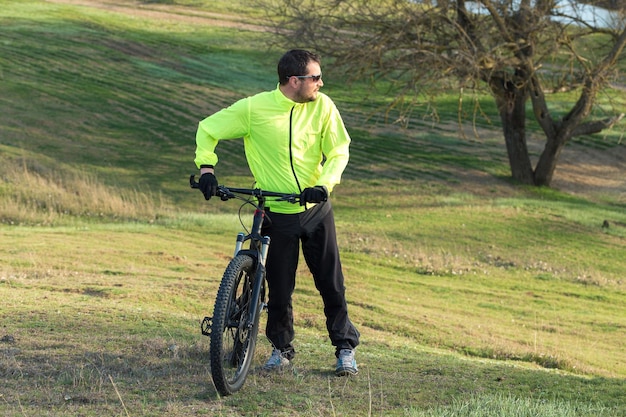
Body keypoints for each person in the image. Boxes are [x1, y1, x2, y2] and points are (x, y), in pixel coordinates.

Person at [194, 49, 360, 376]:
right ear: (294, 80)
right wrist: (207, 168)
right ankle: (281, 349)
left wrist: (324, 184)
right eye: (315, 78)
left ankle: (344, 349)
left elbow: (340, 150)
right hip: (275, 211)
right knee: (280, 289)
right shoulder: (255, 108)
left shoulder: (323, 106)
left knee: (331, 283)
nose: (321, 83)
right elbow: (208, 128)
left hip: (316, 209)